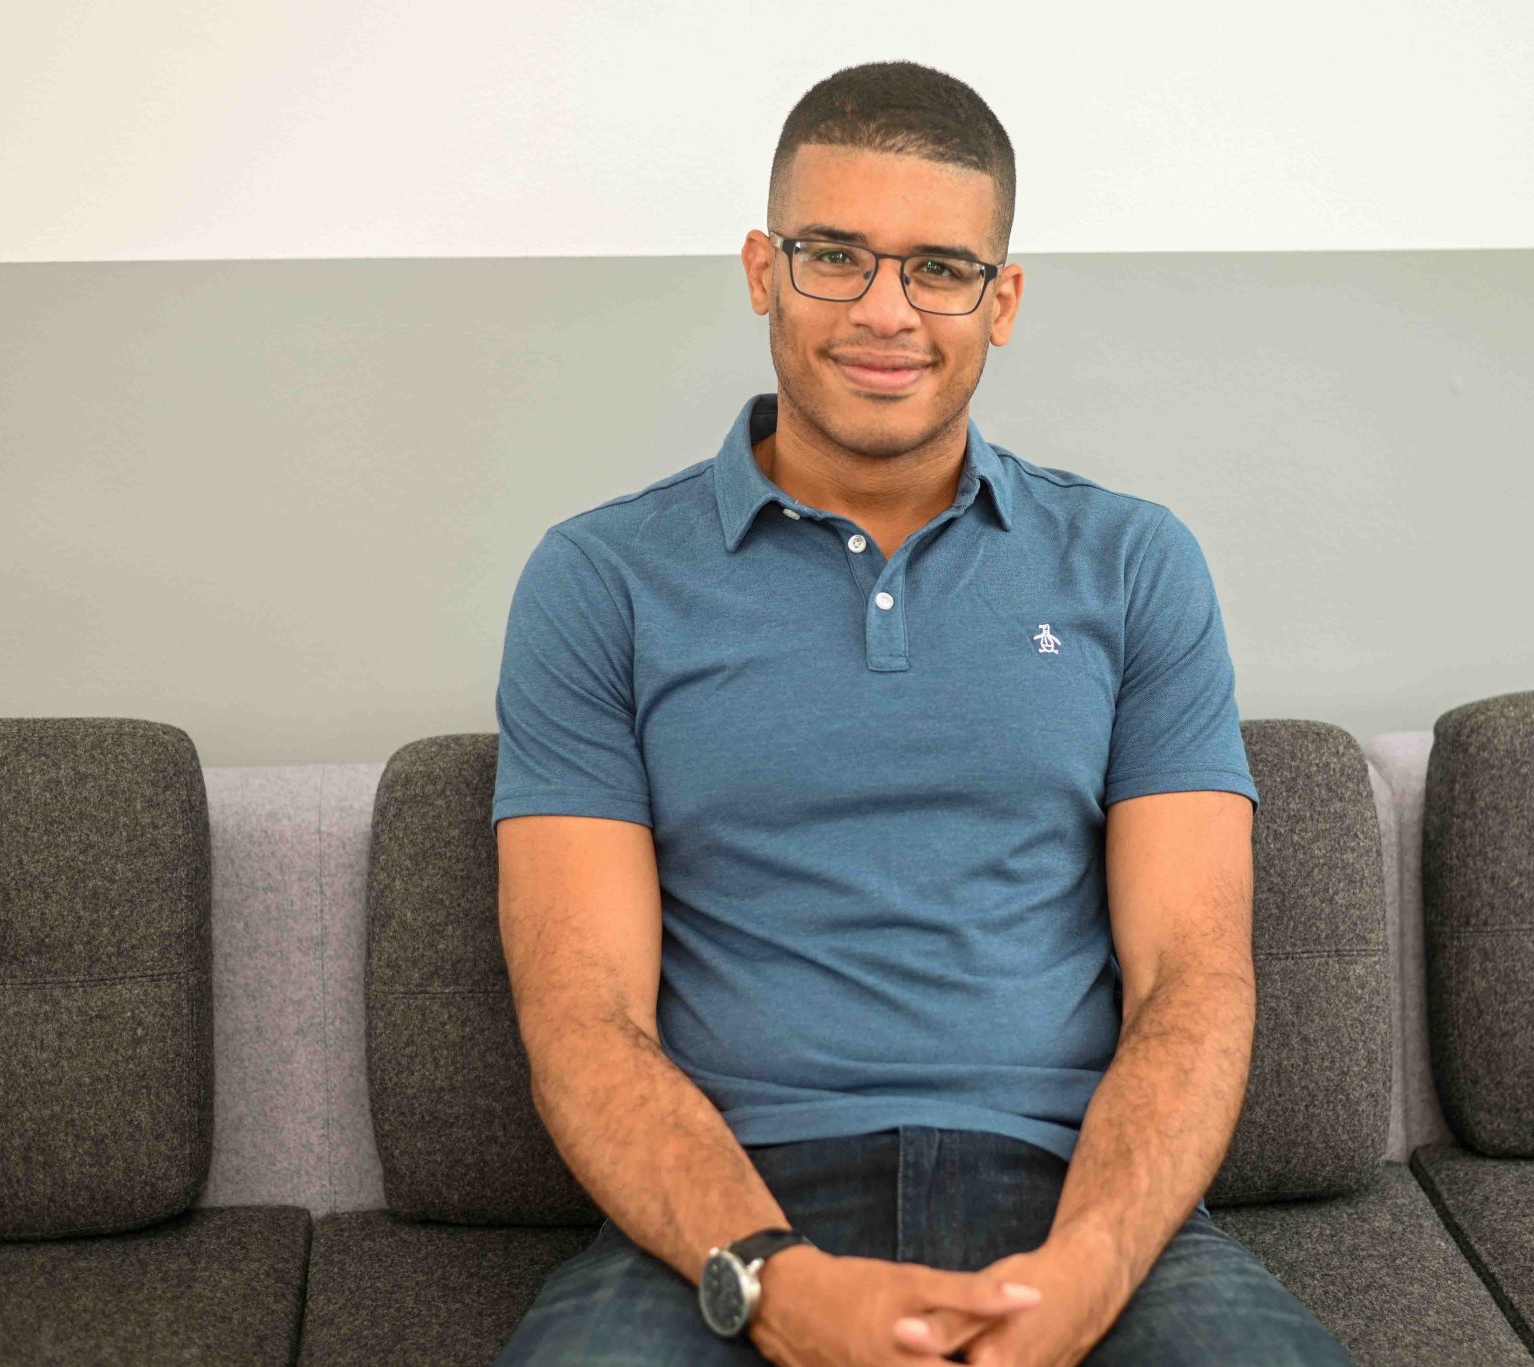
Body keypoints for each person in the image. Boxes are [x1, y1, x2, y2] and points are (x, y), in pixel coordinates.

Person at [489, 58, 1353, 1366]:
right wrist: (770, 1279)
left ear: (1001, 301)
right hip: (730, 1207)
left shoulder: (1133, 563)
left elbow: (1194, 978)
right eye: (834, 256)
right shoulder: (600, 579)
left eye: (940, 268)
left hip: (1071, 1197)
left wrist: (1090, 1267)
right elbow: (581, 1012)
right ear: (762, 271)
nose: (885, 311)